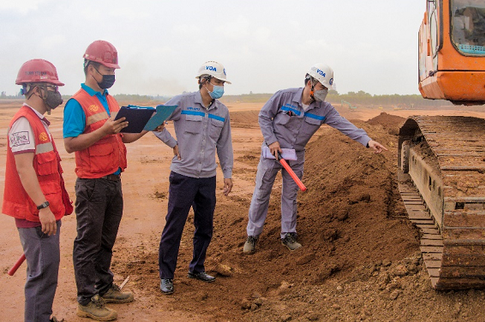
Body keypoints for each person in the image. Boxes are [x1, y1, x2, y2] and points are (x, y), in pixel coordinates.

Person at [243, 63, 387, 254]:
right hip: (273, 153)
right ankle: (252, 236)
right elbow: (263, 116)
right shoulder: (283, 96)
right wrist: (271, 141)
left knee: (290, 196)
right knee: (262, 192)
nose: (324, 92)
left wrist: (367, 141)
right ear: (310, 83)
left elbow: (344, 125)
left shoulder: (324, 109)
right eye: (322, 88)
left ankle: (288, 234)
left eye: (327, 89)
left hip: (295, 157)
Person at [63, 40, 147, 321]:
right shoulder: (77, 103)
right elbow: (71, 144)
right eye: (106, 68)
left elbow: (123, 136)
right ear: (90, 67)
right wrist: (104, 130)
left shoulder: (110, 100)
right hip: (92, 184)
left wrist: (148, 126)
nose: (111, 73)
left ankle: (103, 285)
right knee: (88, 242)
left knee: (106, 239)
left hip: (113, 180)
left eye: (113, 68)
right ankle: (87, 299)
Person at [153, 61, 234, 295]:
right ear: (204, 81)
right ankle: (166, 276)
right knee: (174, 227)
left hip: (207, 178)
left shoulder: (223, 112)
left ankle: (197, 267)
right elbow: (154, 122)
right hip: (183, 176)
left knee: (205, 227)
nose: (220, 87)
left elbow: (224, 145)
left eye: (222, 83)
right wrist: (173, 143)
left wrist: (227, 173)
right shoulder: (182, 102)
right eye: (218, 82)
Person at [3, 59, 73, 322]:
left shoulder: (38, 120)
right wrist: (43, 208)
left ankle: (42, 316)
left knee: (47, 271)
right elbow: (24, 169)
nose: (56, 92)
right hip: (35, 214)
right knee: (41, 275)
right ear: (35, 89)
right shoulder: (23, 122)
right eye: (50, 86)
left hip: (45, 211)